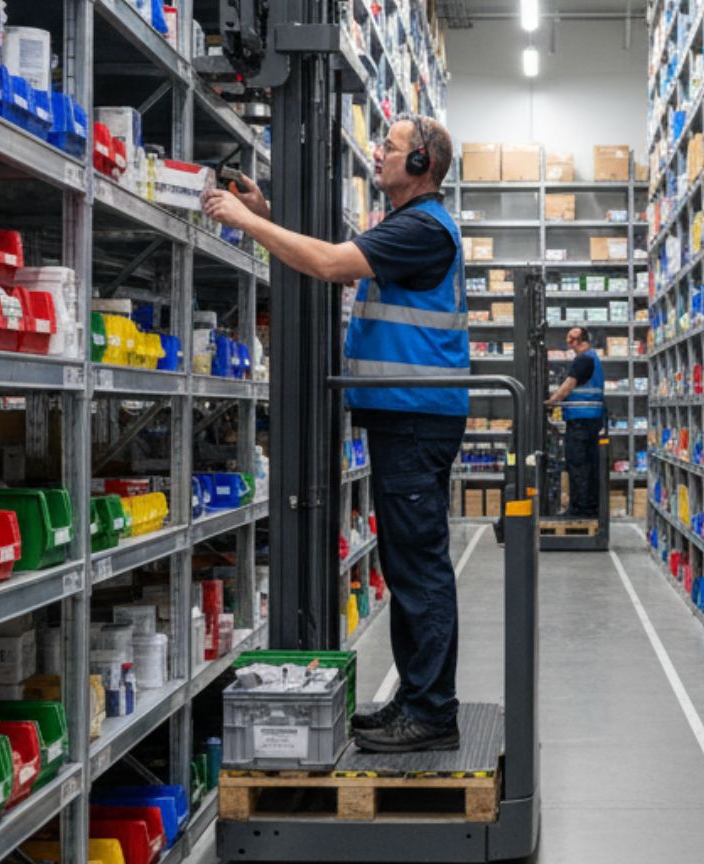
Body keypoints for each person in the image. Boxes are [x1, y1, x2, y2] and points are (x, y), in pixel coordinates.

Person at [202, 114, 467, 753]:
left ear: (422, 163)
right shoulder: (406, 227)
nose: (379, 153)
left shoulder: (423, 228)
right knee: (408, 565)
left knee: (419, 568)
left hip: (414, 415)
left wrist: (248, 223)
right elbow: (343, 263)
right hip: (406, 413)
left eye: (392, 146)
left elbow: (326, 265)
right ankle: (415, 697)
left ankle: (432, 712)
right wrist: (269, 214)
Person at [545, 326, 604, 518]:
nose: (568, 343)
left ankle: (579, 510)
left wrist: (550, 402)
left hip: (581, 421)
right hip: (590, 420)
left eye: (571, 339)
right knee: (587, 465)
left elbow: (568, 386)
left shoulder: (584, 359)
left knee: (577, 465)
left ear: (581, 340)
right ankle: (589, 507)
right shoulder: (593, 358)